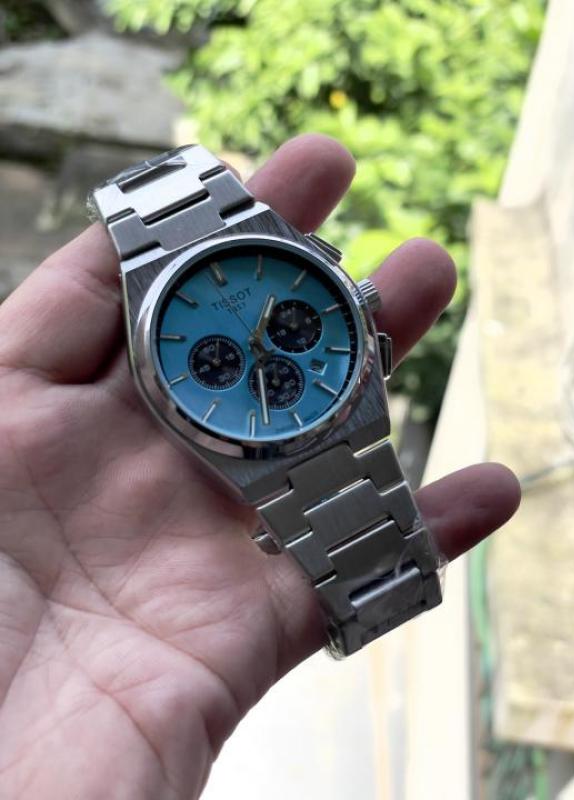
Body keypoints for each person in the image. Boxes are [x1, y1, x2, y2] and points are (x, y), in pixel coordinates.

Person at [0, 134, 520, 798]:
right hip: (272, 440)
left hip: (334, 407)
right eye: (221, 360)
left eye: (279, 327)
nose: (258, 344)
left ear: (356, 306)